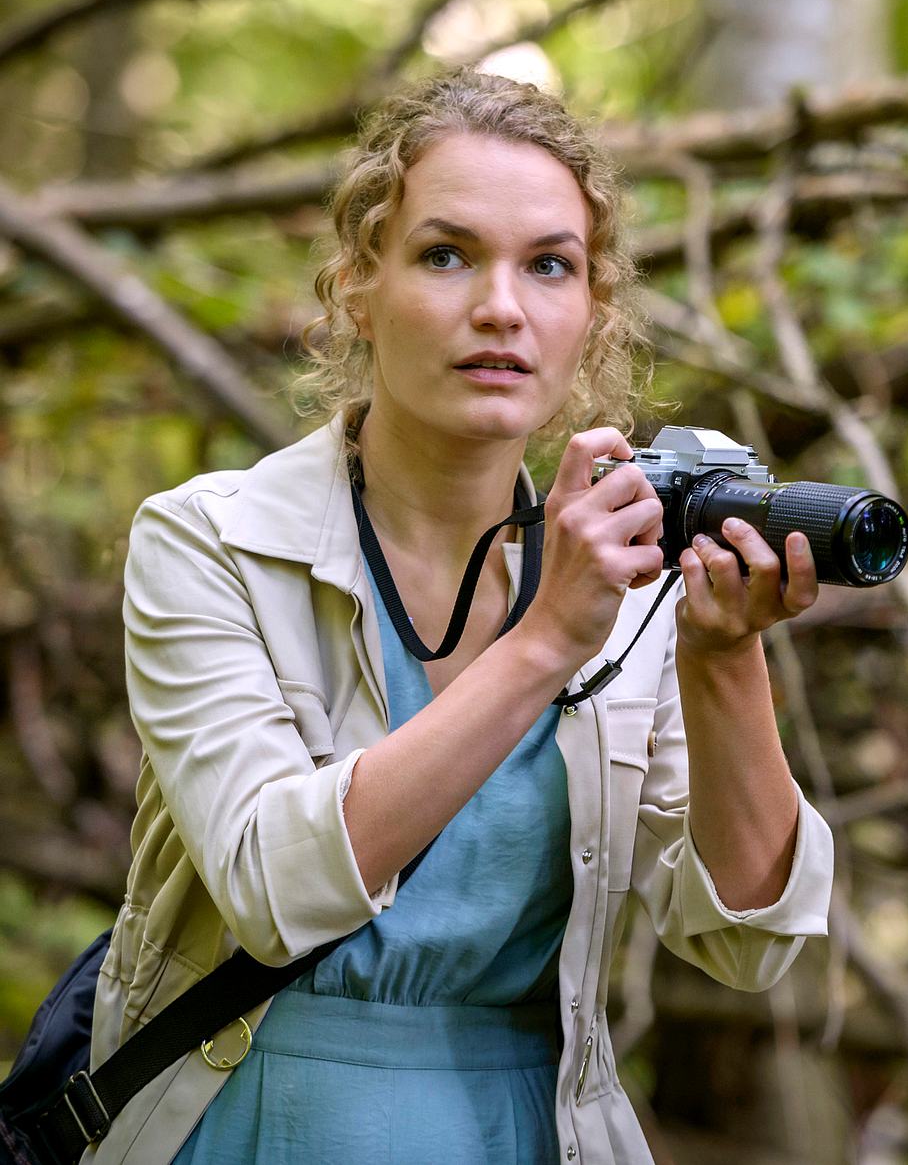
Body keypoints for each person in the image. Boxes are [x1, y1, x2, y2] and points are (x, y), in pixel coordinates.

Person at [85, 68, 834, 1164]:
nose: (501, 307)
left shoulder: (623, 577)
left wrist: (722, 661)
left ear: (592, 309)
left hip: (526, 1132)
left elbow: (745, 947)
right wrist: (543, 642)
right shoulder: (210, 542)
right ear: (357, 286)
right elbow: (268, 889)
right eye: (445, 255)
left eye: (548, 266)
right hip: (247, 1126)